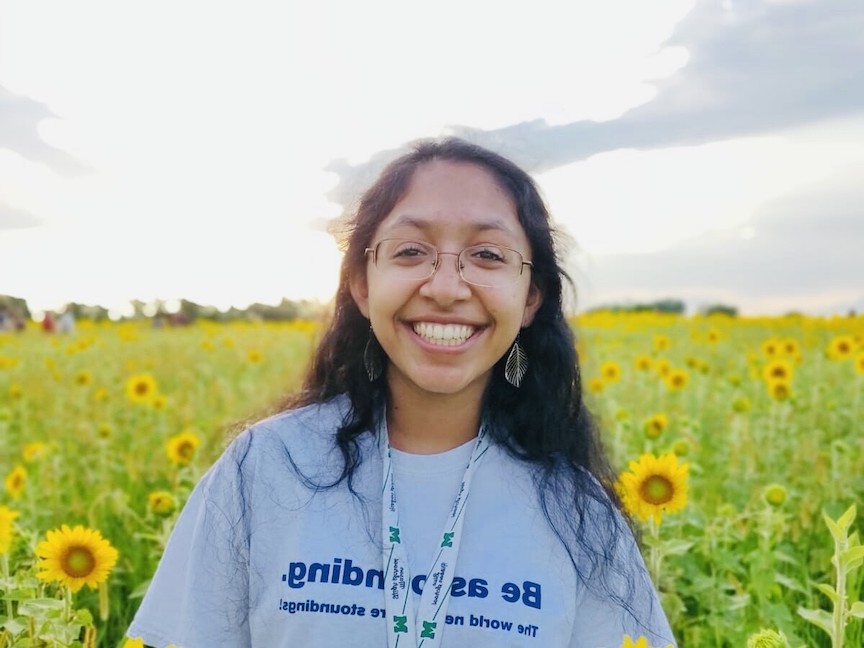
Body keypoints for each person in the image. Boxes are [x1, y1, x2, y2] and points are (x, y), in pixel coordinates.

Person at [127, 138, 677, 647]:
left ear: (530, 298)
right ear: (362, 286)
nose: (444, 288)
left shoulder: (578, 512)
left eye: (487, 255)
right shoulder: (265, 469)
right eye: (411, 251)